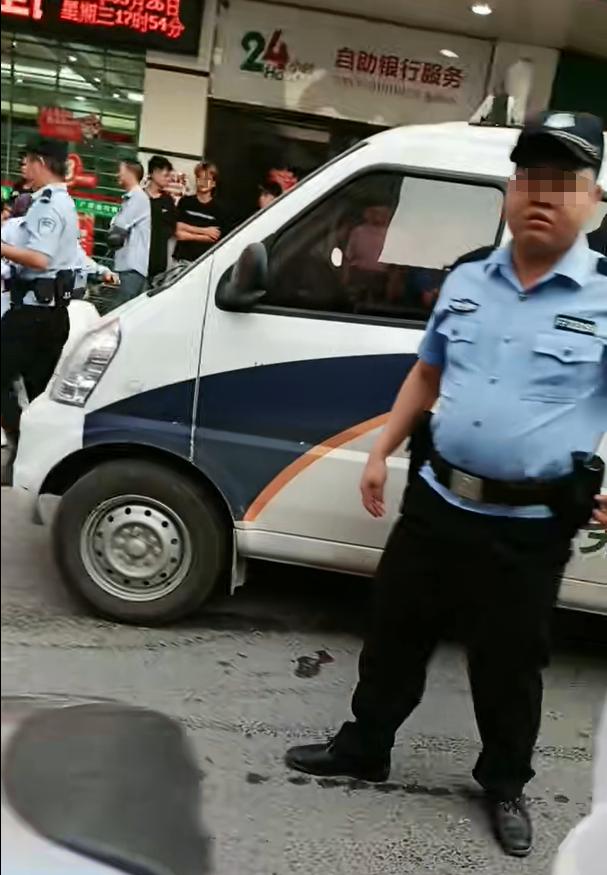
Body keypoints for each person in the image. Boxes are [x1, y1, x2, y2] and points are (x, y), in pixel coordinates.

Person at [285, 111, 607, 858]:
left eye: (563, 180)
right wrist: (380, 449)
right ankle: (364, 745)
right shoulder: (467, 277)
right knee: (394, 634)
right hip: (436, 501)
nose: (541, 193)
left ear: (594, 199)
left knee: (509, 665)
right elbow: (427, 373)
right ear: (509, 190)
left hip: (530, 525)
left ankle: (504, 783)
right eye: (528, 176)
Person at [0, 137, 79, 451]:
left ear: (41, 163)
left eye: (27, 161)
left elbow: (39, 258)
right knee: (37, 393)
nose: (23, 168)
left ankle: (21, 437)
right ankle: (32, 450)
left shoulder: (48, 204)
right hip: (50, 312)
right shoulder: (63, 201)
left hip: (33, 315)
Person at [109, 159, 150, 302]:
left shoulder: (138, 198)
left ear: (130, 172)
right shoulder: (132, 198)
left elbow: (117, 232)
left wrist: (112, 230)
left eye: (120, 171)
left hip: (132, 269)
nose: (117, 175)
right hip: (127, 268)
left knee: (120, 311)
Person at [173, 161, 222, 265]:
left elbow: (214, 237)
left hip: (205, 263)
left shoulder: (219, 209)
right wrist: (205, 231)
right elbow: (178, 232)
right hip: (181, 260)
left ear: (213, 183)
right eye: (200, 178)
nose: (203, 182)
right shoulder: (185, 202)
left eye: (207, 179)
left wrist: (188, 233)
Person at [146, 155, 177, 282]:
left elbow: (172, 229)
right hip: (137, 263)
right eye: (166, 175)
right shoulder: (139, 197)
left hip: (159, 264)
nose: (169, 179)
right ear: (154, 173)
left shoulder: (168, 201)